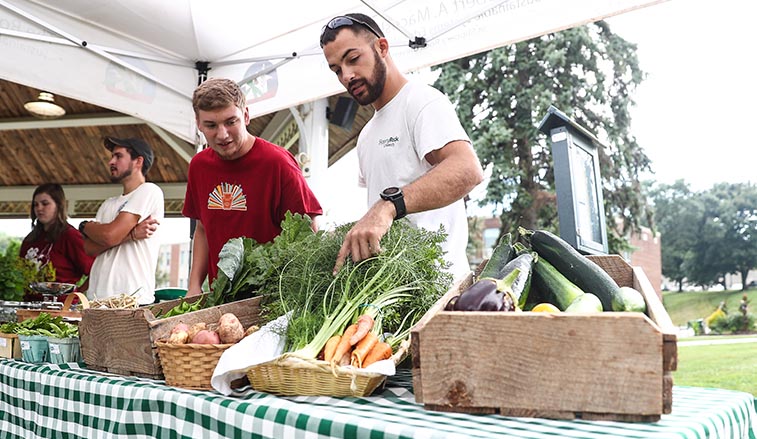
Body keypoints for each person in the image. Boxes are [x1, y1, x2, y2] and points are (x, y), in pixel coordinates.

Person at [320, 14, 485, 281]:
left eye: (353, 59)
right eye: (337, 69)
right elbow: (382, 221)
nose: (347, 76)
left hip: (441, 290)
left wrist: (389, 205)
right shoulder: (366, 136)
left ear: (382, 48)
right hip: (391, 291)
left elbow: (468, 169)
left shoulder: (421, 102)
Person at [183, 78, 323, 296]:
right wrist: (193, 287)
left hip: (271, 298)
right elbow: (202, 229)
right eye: (211, 125)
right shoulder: (199, 166)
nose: (222, 134)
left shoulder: (278, 163)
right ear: (198, 124)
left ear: (246, 116)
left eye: (231, 122)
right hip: (218, 299)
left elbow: (308, 229)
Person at [80, 137, 164, 305]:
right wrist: (130, 235)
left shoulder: (149, 190)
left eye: (118, 156)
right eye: (112, 156)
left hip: (132, 299)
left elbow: (109, 236)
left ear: (138, 161)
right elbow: (88, 248)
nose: (111, 161)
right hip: (97, 300)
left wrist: (92, 229)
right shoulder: (107, 204)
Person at [20, 183, 94, 293]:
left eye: (45, 204)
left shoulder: (70, 236)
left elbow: (95, 271)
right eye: (35, 205)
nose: (39, 208)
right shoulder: (30, 239)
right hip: (29, 305)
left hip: (61, 306)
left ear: (59, 205)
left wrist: (75, 295)